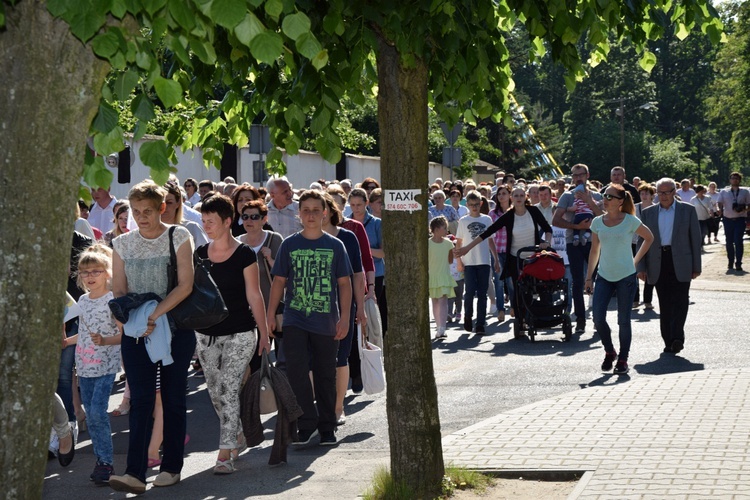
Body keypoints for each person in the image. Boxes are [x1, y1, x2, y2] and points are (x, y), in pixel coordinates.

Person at [109, 180, 196, 494]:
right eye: (135, 211)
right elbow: (119, 291)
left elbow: (185, 285)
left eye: (147, 210)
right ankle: (134, 473)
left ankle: (171, 467)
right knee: (141, 401)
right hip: (136, 334)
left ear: (162, 207)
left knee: (173, 399)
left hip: (176, 330)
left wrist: (154, 315)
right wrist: (132, 323)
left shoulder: (179, 235)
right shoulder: (122, 243)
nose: (141, 216)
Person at [267, 190, 353, 447]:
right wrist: (270, 314)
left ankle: (327, 427)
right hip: (295, 319)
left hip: (326, 321)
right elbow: (279, 281)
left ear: (325, 213)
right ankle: (307, 423)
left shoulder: (335, 245)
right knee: (296, 372)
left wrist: (346, 317)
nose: (311, 215)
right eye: (306, 210)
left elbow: (345, 284)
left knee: (326, 375)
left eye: (317, 210)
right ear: (299, 213)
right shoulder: (289, 244)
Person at [194, 194, 270, 474]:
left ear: (227, 221)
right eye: (203, 221)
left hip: (240, 332)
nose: (206, 226)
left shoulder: (244, 254)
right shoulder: (200, 253)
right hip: (205, 334)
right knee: (215, 391)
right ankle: (236, 431)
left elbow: (254, 294)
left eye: (211, 221)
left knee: (229, 386)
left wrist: (264, 334)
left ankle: (225, 452)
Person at [456, 187, 552, 339]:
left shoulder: (533, 211)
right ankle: (520, 320)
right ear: (512, 198)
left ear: (525, 197)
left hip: (532, 256)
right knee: (517, 289)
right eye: (516, 195)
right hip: (515, 257)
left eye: (521, 195)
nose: (519, 198)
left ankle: (533, 315)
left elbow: (547, 229)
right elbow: (488, 232)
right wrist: (467, 248)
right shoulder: (509, 215)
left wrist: (546, 242)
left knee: (532, 287)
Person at [585, 184, 654, 375]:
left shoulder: (630, 220)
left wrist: (635, 261)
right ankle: (609, 351)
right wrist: (589, 278)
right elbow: (594, 250)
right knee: (598, 318)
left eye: (610, 196)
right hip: (604, 276)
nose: (605, 199)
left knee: (623, 320)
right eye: (604, 196)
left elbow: (649, 237)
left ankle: (623, 358)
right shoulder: (598, 222)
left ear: (620, 201)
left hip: (626, 276)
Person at [68, 244, 122, 484]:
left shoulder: (113, 300)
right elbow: (84, 333)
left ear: (107, 273)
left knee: (98, 412)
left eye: (96, 271)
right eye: (85, 272)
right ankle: (101, 459)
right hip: (84, 366)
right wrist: (65, 342)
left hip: (107, 366)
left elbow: (125, 334)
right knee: (91, 415)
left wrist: (106, 340)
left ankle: (105, 462)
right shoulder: (82, 300)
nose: (90, 277)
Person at [636, 178, 702, 354]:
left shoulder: (687, 210)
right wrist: (640, 266)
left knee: (681, 300)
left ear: (675, 191)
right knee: (664, 303)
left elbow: (695, 239)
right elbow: (641, 240)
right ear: (656, 193)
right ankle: (668, 340)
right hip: (658, 261)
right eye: (660, 192)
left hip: (682, 260)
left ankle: (678, 337)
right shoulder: (648, 213)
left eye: (667, 192)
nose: (664, 196)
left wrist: (697, 265)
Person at [320, 193, 366, 424]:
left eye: (319, 209)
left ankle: (338, 407)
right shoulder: (303, 239)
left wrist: (360, 309)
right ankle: (321, 406)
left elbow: (358, 275)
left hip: (343, 306)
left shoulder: (347, 237)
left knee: (340, 357)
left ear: (329, 211)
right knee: (316, 360)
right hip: (315, 309)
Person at [552, 164, 603, 334]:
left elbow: (603, 218)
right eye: (574, 176)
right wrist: (576, 226)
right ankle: (580, 319)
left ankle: (598, 317)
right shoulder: (567, 196)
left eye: (581, 175)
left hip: (593, 242)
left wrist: (590, 201)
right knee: (577, 281)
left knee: (596, 280)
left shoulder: (596, 194)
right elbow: (556, 220)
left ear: (587, 175)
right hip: (572, 242)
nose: (578, 178)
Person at [453, 191, 500, 334]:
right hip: (469, 262)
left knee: (482, 293)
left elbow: (491, 240)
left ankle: (480, 323)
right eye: (471, 205)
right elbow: (459, 243)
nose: (474, 207)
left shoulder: (487, 219)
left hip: (484, 261)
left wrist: (496, 259)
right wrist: (459, 261)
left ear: (480, 204)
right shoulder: (463, 221)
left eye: (476, 205)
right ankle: (468, 315)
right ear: (467, 205)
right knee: (469, 292)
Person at [349, 187, 387, 337]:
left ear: (366, 203)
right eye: (352, 205)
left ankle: (373, 343)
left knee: (371, 312)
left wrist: (363, 249)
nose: (356, 208)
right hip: (353, 273)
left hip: (375, 273)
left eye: (359, 204)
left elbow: (382, 253)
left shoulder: (377, 223)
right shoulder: (346, 223)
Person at [488, 185, 514, 322]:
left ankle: (514, 307)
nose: (501, 196)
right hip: (497, 251)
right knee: (498, 282)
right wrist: (495, 257)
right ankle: (500, 310)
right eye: (499, 194)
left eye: (504, 193)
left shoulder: (515, 211)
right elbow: (490, 237)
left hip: (511, 251)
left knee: (511, 281)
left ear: (509, 195)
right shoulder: (492, 214)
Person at [428, 216, 456, 340]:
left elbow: (450, 260)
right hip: (432, 276)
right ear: (437, 229)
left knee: (443, 300)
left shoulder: (449, 243)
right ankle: (438, 326)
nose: (446, 230)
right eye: (444, 228)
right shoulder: (427, 244)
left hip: (444, 275)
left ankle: (442, 328)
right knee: (435, 301)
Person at [716, 172, 750, 271]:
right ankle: (730, 261)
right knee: (729, 242)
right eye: (732, 178)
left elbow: (749, 205)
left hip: (740, 219)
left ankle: (738, 263)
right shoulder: (724, 192)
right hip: (727, 220)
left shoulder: (745, 192)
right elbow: (719, 203)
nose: (734, 180)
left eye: (736, 178)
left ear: (739, 180)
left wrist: (743, 208)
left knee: (739, 241)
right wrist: (719, 209)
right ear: (730, 180)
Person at [162, 181, 209, 248]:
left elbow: (204, 256)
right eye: (160, 203)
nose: (164, 207)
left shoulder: (192, 228)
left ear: (178, 203)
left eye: (169, 202)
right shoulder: (148, 232)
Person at [635, 183, 656, 310]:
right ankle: (635, 299)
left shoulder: (656, 208)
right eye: (642, 193)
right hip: (634, 242)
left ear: (652, 196)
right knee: (634, 270)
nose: (644, 196)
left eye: (646, 193)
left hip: (651, 242)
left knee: (650, 270)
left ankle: (648, 300)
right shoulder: (635, 208)